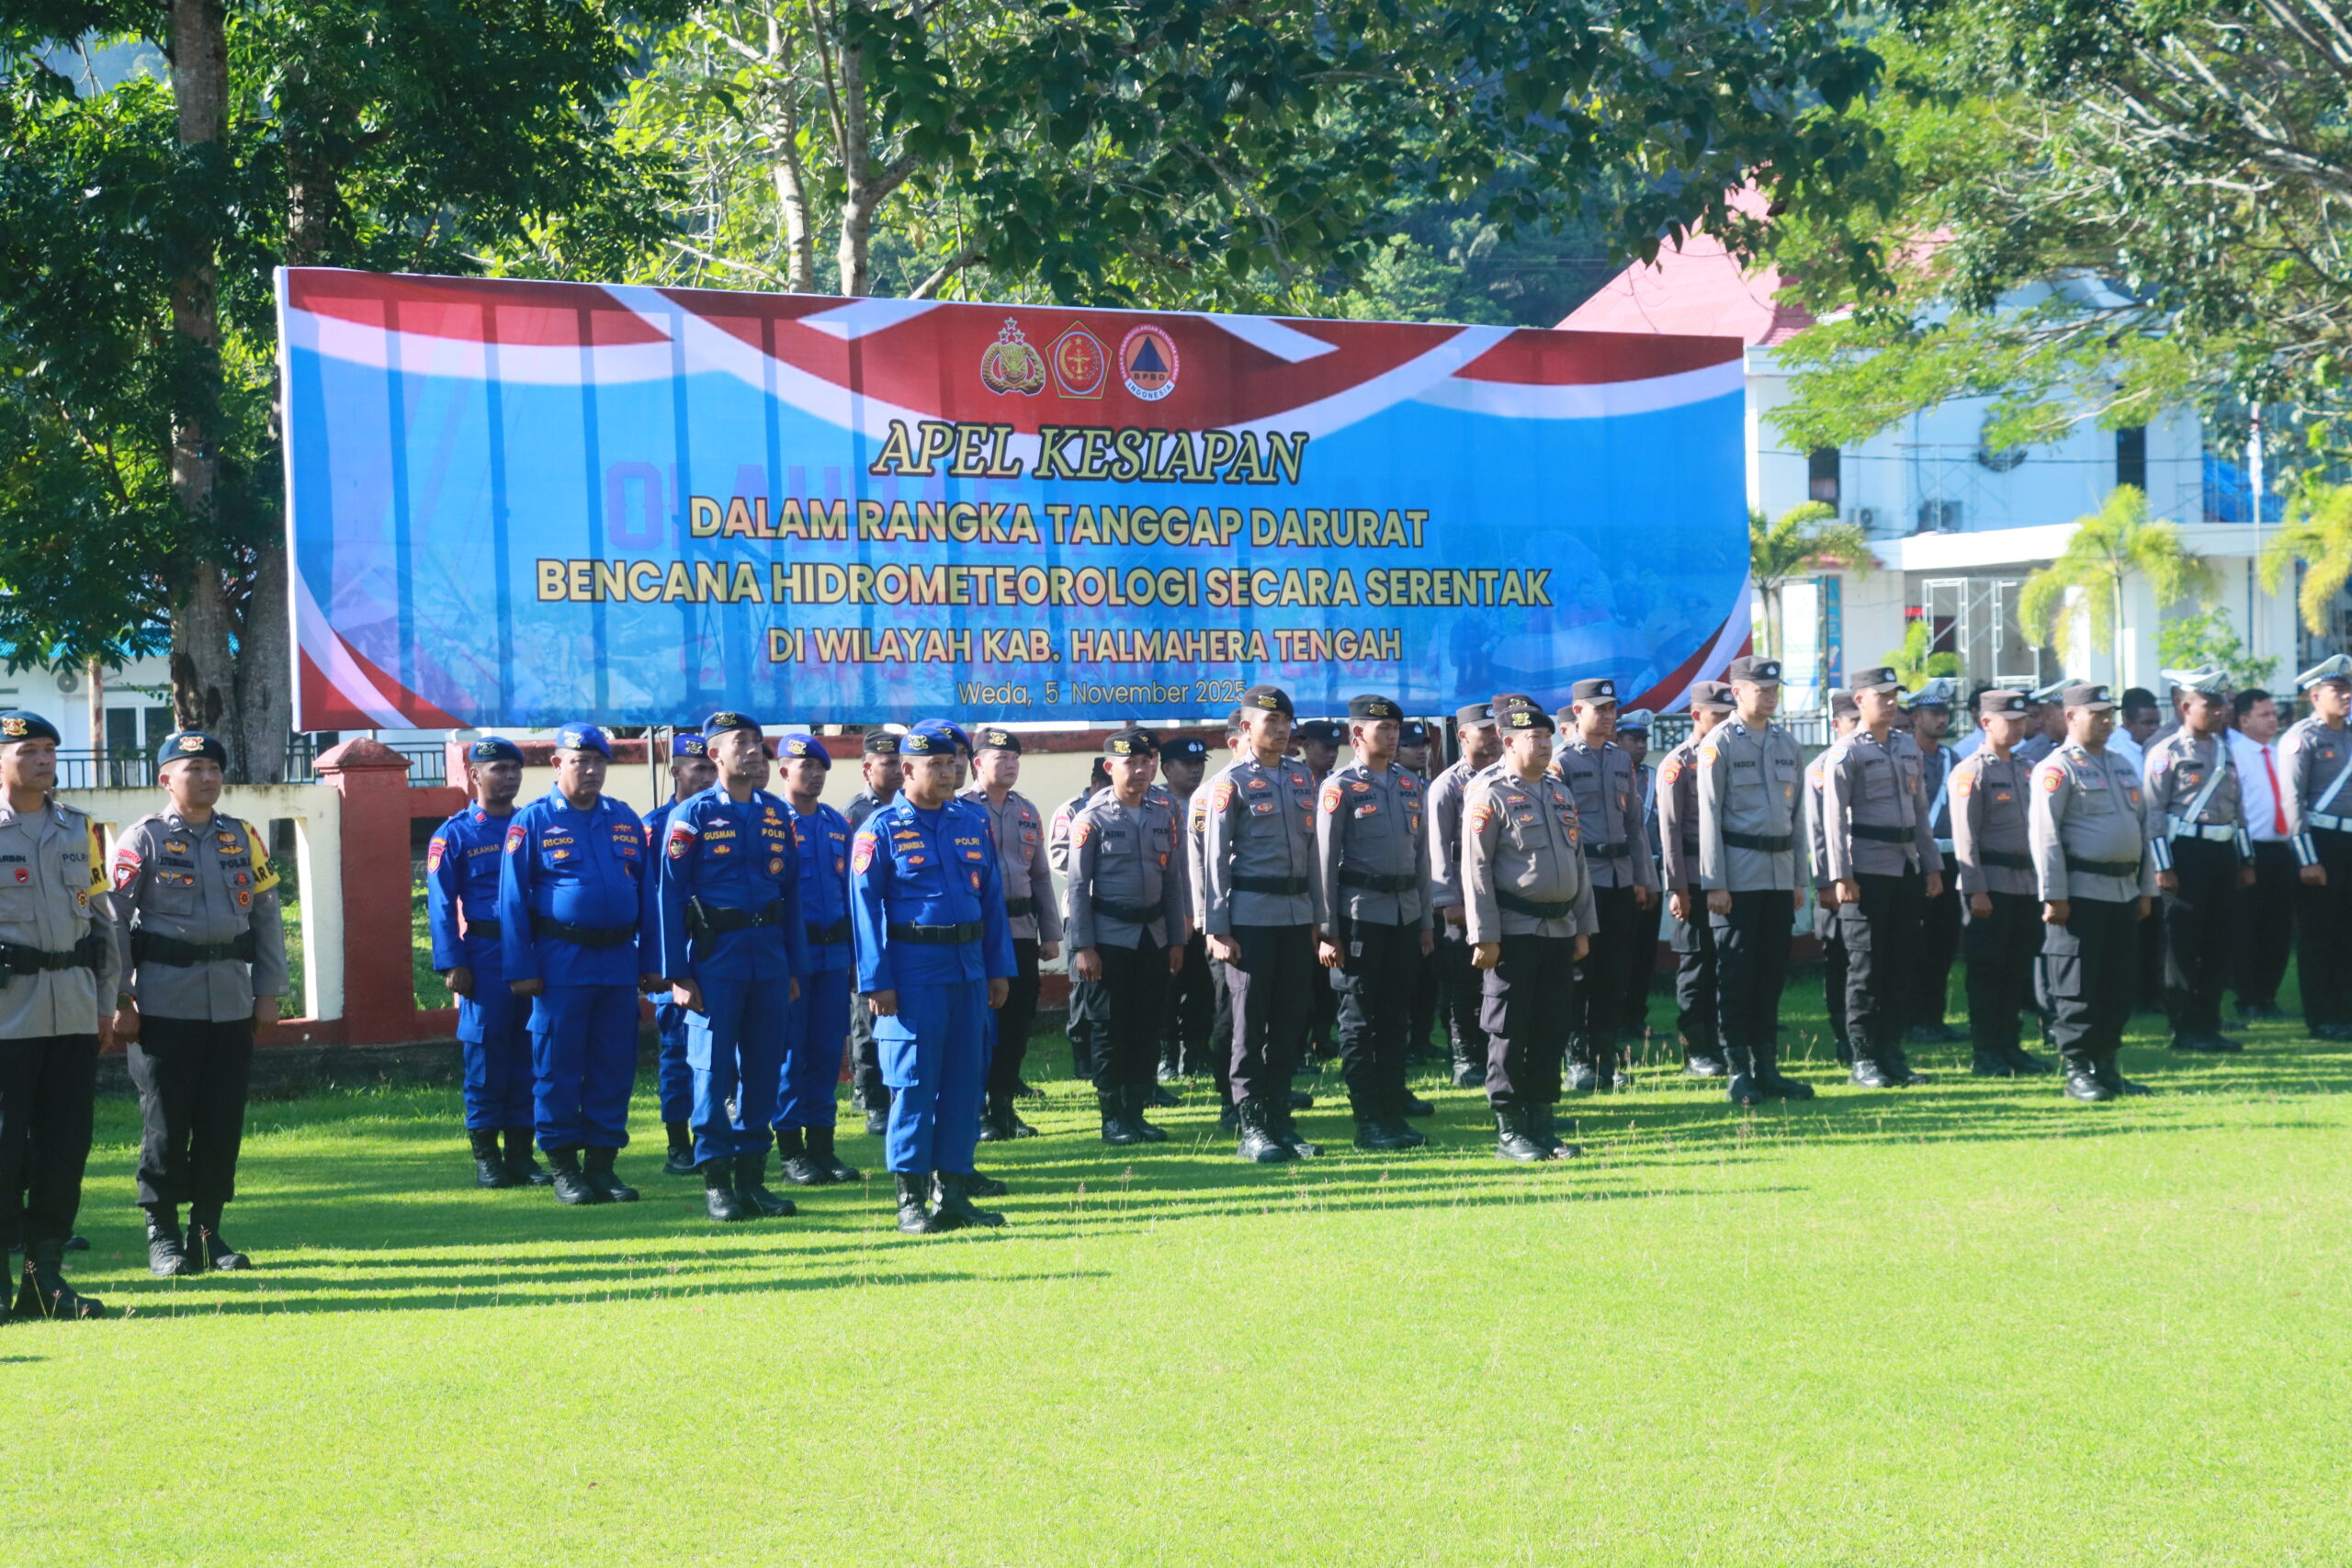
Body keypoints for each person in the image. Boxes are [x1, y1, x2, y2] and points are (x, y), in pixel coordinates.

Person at [111, 728, 288, 1274]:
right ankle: (162, 1238)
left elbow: (266, 916)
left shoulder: (243, 836)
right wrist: (121, 997)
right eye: (193, 769)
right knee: (165, 1122)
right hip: (164, 1003)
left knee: (220, 1122)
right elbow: (113, 922)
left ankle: (208, 1234)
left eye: (213, 767)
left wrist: (268, 991)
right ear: (166, 778)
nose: (206, 776)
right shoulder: (141, 839)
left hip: (231, 1002)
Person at [849, 721, 1015, 1234]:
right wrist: (876, 980)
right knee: (915, 1085)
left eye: (953, 763)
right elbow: (864, 909)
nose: (950, 772)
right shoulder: (879, 829)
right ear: (906, 769)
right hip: (913, 976)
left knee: (966, 1083)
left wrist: (998, 967)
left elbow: (991, 900)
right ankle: (911, 1200)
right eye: (937, 765)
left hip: (967, 969)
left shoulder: (970, 821)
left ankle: (955, 1192)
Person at [653, 712, 805, 1223]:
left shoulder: (776, 814)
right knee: (712, 1070)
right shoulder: (691, 816)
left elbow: (793, 896)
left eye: (757, 742)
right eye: (740, 742)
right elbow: (669, 897)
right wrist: (678, 973)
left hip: (768, 957)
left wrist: (793, 967)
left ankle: (752, 1181)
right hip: (716, 960)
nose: (753, 750)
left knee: (763, 1070)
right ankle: (717, 1181)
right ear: (715, 754)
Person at [497, 723, 653, 1207]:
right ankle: (565, 1166)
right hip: (561, 961)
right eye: (580, 760)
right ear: (557, 764)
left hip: (618, 963)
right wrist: (521, 967)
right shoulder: (533, 821)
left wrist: (650, 960)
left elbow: (647, 894)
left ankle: (602, 1166)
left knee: (614, 1065)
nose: (590, 769)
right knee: (558, 1065)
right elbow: (511, 900)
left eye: (599, 761)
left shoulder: (624, 818)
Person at [0, 711, 117, 1317]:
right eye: (28, 750)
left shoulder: (78, 830)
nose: (43, 760)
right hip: (6, 1018)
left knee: (65, 1147)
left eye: (49, 749)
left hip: (70, 1011)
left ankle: (44, 1279)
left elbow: (103, 925)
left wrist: (104, 1004)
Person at [1464, 695, 1595, 1161]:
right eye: (1533, 738)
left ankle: (1541, 1123)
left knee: (1550, 1028)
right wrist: (1485, 935)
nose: (1544, 745)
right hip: (1514, 931)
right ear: (1508, 741)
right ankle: (1510, 1130)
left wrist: (1584, 927)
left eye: (1546, 737)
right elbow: (1476, 869)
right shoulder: (1491, 792)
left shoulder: (1559, 791)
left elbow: (1577, 863)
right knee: (1508, 1031)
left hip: (1559, 929)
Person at [1202, 684, 1324, 1163]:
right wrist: (1217, 927)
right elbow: (1215, 861)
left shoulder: (1300, 778)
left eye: (1284, 721)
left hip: (1297, 918)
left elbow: (1314, 854)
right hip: (1250, 917)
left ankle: (1280, 1120)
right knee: (1249, 1025)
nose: (1278, 729)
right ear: (1246, 727)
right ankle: (1251, 1125)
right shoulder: (1228, 784)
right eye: (1268, 721)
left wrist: (1319, 917)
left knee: (1291, 1020)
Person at [425, 736, 548, 1190]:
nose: (510, 777)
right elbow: (440, 905)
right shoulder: (454, 834)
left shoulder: (532, 826)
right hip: (484, 953)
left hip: (534, 954)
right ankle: (486, 1157)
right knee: (487, 1052)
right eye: (499, 769)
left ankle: (521, 1155)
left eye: (515, 769)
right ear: (475, 776)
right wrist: (452, 961)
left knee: (530, 1053)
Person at [1315, 694, 1435, 1150]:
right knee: (1360, 1020)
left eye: (1395, 729)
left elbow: (1422, 858)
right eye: (1381, 728)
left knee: (1394, 1016)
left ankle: (1392, 1111)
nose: (1391, 735)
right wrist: (1327, 930)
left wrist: (1425, 921)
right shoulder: (1339, 787)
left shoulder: (1409, 784)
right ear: (1356, 734)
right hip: (1359, 916)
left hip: (1404, 914)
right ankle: (1369, 1119)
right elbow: (1324, 863)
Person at [2030, 682, 2157, 1101]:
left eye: (2109, 713)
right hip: (2080, 895)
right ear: (2071, 717)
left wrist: (2145, 888)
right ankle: (2079, 1071)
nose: (2106, 720)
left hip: (2122, 892)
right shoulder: (2057, 767)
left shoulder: (2121, 764)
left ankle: (2106, 1066)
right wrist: (2054, 894)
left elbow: (2144, 830)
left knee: (2117, 986)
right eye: (2096, 713)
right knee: (2077, 987)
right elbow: (2045, 836)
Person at [1819, 665, 1943, 1090]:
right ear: (1860, 701)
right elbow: (1833, 820)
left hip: (1906, 867)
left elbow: (1921, 813)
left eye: (1895, 696)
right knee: (1866, 967)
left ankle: (1892, 1052)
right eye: (1882, 696)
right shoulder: (1846, 752)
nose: (1891, 703)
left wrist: (1932, 866)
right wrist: (1841, 876)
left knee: (1901, 965)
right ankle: (1863, 1057)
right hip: (1866, 872)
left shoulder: (1908, 747)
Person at [1696, 658, 1811, 1106]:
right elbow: (1707, 817)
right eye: (1760, 688)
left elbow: (1796, 817)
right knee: (1737, 974)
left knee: (1770, 975)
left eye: (1774, 687)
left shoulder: (1787, 743)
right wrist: (1715, 884)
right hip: (1738, 876)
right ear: (1737, 692)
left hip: (1779, 875)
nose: (1770, 694)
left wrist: (1800, 879)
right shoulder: (1719, 744)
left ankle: (1768, 1069)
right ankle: (1739, 1071)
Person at [1067, 729, 1189, 1145]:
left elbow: (1173, 881)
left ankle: (1136, 1111)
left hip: (1152, 937)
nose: (1141, 770)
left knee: (1147, 1025)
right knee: (1109, 1029)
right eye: (1131, 763)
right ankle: (1112, 1117)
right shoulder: (1092, 818)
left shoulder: (1163, 811)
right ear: (1109, 767)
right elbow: (1079, 888)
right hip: (1108, 939)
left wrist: (1176, 939)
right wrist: (1083, 947)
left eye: (1147, 762)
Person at [1550, 679, 1656, 1093]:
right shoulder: (1560, 762)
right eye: (1601, 709)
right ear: (1578, 713)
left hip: (1619, 876)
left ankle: (1605, 1059)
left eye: (1613, 709)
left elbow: (1635, 826)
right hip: (1583, 878)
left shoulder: (1618, 760)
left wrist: (1643, 877)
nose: (1610, 716)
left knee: (1614, 972)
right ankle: (1577, 1059)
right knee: (1580, 972)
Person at [2143, 667, 2256, 1054]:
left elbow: (2237, 809)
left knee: (2218, 941)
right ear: (2184, 705)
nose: (2220, 710)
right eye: (2210, 704)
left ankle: (2209, 1022)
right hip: (2185, 855)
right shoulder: (2166, 752)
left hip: (2222, 851)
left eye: (2221, 703)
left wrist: (2246, 860)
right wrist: (2163, 866)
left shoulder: (2225, 750)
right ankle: (2185, 1026)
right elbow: (2154, 815)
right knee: (2183, 943)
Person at [959, 727, 1060, 1141]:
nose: (1011, 765)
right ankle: (979, 1110)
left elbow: (1040, 877)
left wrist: (1050, 933)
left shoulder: (1026, 810)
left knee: (1018, 1023)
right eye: (1002, 758)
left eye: (1016, 759)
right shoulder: (960, 809)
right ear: (978, 763)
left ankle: (1004, 1107)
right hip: (979, 933)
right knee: (981, 1023)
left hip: (1021, 930)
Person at [773, 732, 861, 1186]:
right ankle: (791, 1152)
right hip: (793, 956)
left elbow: (850, 897)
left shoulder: (835, 824)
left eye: (820, 768)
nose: (813, 774)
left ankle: (823, 1148)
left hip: (834, 954)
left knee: (828, 1052)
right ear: (783, 770)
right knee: (792, 1052)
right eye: (804, 766)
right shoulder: (771, 821)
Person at [1950, 690, 2052, 1075]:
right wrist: (1976, 889)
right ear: (1986, 723)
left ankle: (2011, 1047)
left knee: (2015, 970)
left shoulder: (2028, 768)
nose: (2018, 727)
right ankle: (1986, 1051)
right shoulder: (1971, 770)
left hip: (2025, 883)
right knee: (1987, 972)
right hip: (1990, 886)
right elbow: (1966, 837)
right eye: (2009, 720)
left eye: (2022, 719)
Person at [640, 731, 715, 1175]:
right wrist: (663, 967)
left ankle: (716, 1139)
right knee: (677, 1054)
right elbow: (650, 901)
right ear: (676, 771)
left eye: (711, 767)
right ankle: (677, 1144)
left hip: (723, 954)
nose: (707, 776)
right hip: (677, 957)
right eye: (698, 768)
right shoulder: (654, 826)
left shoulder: (727, 817)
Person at [1658, 682, 1735, 1077]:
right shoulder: (1678, 763)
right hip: (1692, 875)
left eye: (1729, 715)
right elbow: (1669, 831)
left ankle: (1726, 1044)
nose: (1725, 723)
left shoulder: (1732, 754)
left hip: (1730, 876)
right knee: (1696, 968)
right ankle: (1696, 1051)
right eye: (1717, 716)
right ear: (1696, 716)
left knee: (1728, 965)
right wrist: (1678, 888)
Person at [1428, 702, 1502, 1086]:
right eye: (1484, 730)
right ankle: (1464, 1056)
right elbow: (1438, 847)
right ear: (1463, 736)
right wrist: (1448, 901)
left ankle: (1494, 1052)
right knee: (1461, 980)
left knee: (1499, 981)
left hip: (1500, 897)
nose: (1492, 736)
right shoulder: (1447, 786)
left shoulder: (1508, 778)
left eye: (1495, 730)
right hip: (1462, 902)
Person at [2280, 656, 2352, 1042]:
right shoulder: (2301, 737)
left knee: (2347, 933)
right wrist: (2308, 859)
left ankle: (2345, 1011)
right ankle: (2321, 1016)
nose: (2346, 696)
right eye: (2337, 691)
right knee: (2319, 933)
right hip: (2321, 843)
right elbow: (2293, 801)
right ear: (2315, 696)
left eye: (2348, 689)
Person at [843, 730, 904, 1135]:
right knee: (866, 1019)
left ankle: (898, 1089)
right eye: (888, 764)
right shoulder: (856, 814)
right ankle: (872, 1099)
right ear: (868, 768)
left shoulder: (913, 806)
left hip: (902, 933)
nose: (899, 770)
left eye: (901, 762)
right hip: (868, 931)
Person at [1190, 713, 1248, 1126]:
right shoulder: (1212, 792)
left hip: (1272, 917)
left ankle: (1261, 1090)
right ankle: (1230, 1099)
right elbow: (1199, 865)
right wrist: (1210, 925)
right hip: (1228, 920)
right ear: (1235, 741)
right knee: (1230, 1013)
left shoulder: (1287, 781)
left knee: (1266, 1012)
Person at [1905, 679, 1968, 1045]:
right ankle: (1913, 1018)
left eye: (1945, 712)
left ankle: (1935, 1017)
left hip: (1949, 856)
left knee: (1944, 942)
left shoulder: (1951, 759)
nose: (1941, 719)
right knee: (1916, 944)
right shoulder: (1903, 753)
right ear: (1915, 716)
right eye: (1933, 712)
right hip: (1914, 859)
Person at [2226, 688, 2294, 1022]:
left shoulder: (2279, 752)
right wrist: (2243, 859)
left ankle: (2268, 995)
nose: (2273, 721)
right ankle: (2248, 997)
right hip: (2250, 849)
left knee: (2277, 929)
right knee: (2245, 928)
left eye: (2274, 714)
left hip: (2281, 849)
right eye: (2265, 715)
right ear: (2244, 719)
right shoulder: (2234, 753)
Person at [1802, 691, 1860, 1066]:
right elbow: (1817, 832)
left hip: (1870, 875)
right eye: (1854, 723)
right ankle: (1844, 1035)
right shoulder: (1821, 768)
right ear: (1837, 724)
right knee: (1840, 959)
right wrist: (1824, 882)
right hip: (1838, 884)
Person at [1157, 736, 1216, 1085]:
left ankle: (1196, 1051)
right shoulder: (1158, 805)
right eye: (1187, 763)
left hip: (1208, 911)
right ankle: (1166, 1055)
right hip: (1170, 914)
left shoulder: (1212, 801)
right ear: (1166, 768)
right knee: (1167, 988)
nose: (1196, 769)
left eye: (1199, 763)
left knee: (1203, 987)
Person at [1050, 755, 1113, 1085]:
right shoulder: (1072, 810)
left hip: (1118, 914)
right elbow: (1059, 857)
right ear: (1098, 781)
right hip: (1080, 909)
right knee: (1082, 986)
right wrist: (1107, 868)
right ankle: (1081, 1054)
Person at [1615, 708, 1660, 1055]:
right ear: (1618, 740)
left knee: (1645, 952)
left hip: (1651, 871)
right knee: (1621, 952)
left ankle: (1635, 1016)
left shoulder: (1654, 777)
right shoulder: (1613, 773)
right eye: (1634, 739)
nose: (1641, 745)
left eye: (1644, 739)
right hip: (1617, 875)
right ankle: (1613, 1019)